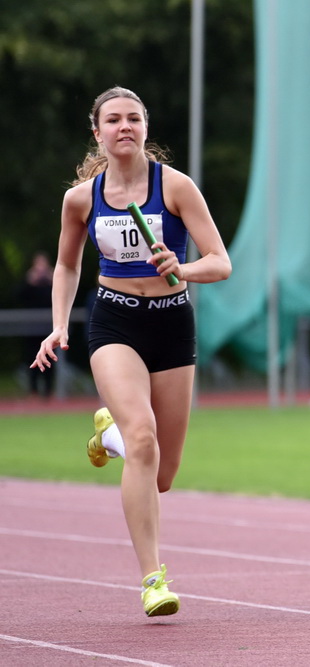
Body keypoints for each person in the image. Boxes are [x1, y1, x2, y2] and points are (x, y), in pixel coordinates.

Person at [31, 86, 232, 617]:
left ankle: (108, 434)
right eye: (114, 119)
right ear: (97, 131)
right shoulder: (81, 199)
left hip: (172, 324)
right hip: (114, 320)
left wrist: (182, 268)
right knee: (144, 439)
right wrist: (58, 325)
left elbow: (220, 261)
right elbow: (67, 265)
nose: (125, 126)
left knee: (161, 474)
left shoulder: (175, 187)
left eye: (134, 119)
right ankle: (152, 580)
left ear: (145, 127)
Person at [17, 251, 55, 399]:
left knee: (50, 359)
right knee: (31, 358)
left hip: (48, 328)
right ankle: (33, 391)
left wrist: (54, 280)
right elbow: (18, 297)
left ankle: (48, 391)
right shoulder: (29, 284)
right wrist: (29, 282)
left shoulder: (52, 283)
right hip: (32, 328)